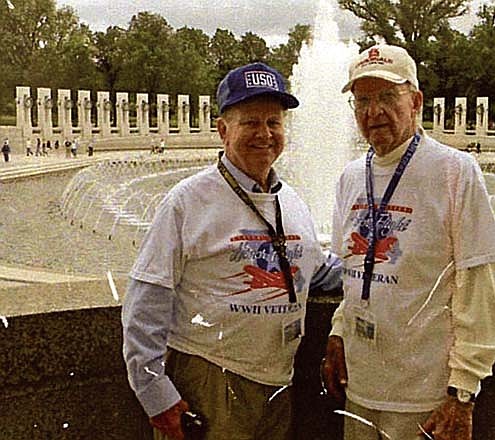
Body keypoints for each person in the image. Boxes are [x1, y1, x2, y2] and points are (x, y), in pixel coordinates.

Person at [122, 62, 342, 440]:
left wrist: (388, 266)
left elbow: (317, 271)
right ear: (223, 130)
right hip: (210, 378)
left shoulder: (290, 201)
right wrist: (155, 393)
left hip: (278, 382)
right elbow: (147, 298)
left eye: (274, 123)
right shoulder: (187, 201)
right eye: (250, 122)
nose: (265, 134)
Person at [323, 44, 495, 440]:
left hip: (424, 397)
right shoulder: (351, 177)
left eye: (388, 97)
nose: (374, 112)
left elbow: (477, 285)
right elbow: (353, 273)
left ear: (416, 101)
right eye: (363, 101)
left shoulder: (455, 171)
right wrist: (338, 332)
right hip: (360, 388)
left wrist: (463, 392)